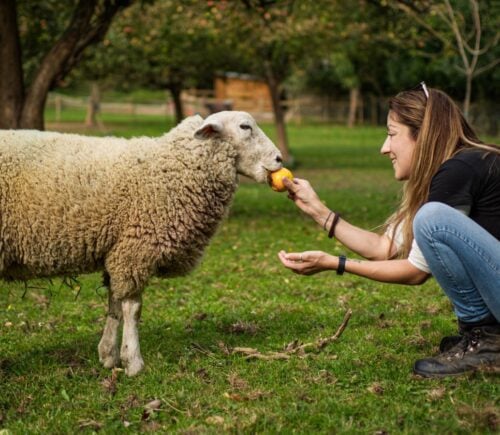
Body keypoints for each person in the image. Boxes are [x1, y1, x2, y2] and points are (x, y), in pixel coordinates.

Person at [278, 83, 500, 378]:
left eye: (392, 134)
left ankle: (486, 339)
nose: (384, 148)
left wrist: (335, 263)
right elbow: (385, 248)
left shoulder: (460, 169)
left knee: (430, 217)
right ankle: (485, 337)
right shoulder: (461, 166)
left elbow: (415, 271)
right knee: (428, 216)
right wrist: (319, 212)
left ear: (422, 136)